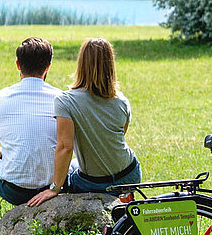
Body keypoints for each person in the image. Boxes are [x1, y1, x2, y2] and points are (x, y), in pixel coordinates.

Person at [0, 37, 61, 235]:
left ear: (18, 65)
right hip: (53, 186)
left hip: (14, 190)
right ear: (48, 66)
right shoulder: (62, 99)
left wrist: (1, 153)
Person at [28, 37, 141, 207]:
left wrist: (54, 188)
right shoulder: (122, 101)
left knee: (72, 169)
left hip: (93, 183)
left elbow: (65, 147)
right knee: (75, 164)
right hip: (129, 173)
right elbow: (119, 136)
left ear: (81, 63)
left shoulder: (65, 101)